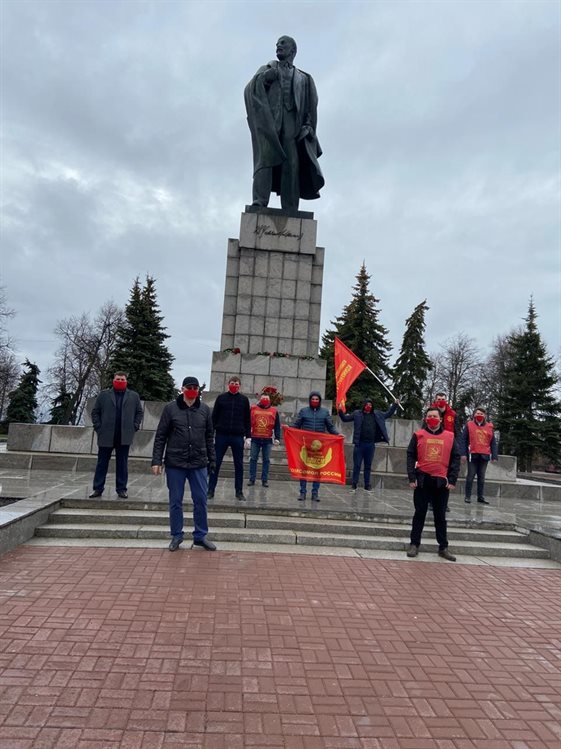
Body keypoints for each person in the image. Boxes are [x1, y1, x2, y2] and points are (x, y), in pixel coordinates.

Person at [244, 35, 324, 213]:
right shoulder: (266, 69)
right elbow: (249, 90)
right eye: (277, 44)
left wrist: (309, 126)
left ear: (293, 50)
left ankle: (290, 207)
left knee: (292, 165)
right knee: (265, 161)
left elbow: (312, 105)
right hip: (270, 124)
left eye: (282, 43)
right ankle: (259, 201)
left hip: (293, 127)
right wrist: (264, 79)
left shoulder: (305, 78)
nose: (278, 46)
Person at [151, 376, 217, 552]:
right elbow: (161, 436)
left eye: (195, 387)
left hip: (198, 462)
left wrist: (212, 459)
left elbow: (209, 437)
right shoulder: (170, 409)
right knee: (175, 501)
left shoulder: (204, 410)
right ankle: (176, 536)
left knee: (201, 500)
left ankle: (201, 536)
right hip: (175, 463)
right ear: (182, 389)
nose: (193, 390)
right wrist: (156, 460)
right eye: (189, 387)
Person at [406, 406, 461, 561]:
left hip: (441, 483)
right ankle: (414, 544)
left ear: (440, 419)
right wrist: (411, 477)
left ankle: (443, 547)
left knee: (440, 516)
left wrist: (452, 479)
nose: (432, 418)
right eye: (429, 416)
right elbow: (410, 456)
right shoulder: (418, 435)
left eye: (435, 416)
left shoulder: (450, 436)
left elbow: (456, 458)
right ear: (425, 419)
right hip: (423, 481)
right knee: (419, 514)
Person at [89, 372, 143, 499]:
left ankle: (121, 489)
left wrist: (135, 426)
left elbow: (139, 412)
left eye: (122, 379)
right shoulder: (104, 395)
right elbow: (95, 412)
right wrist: (98, 427)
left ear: (126, 381)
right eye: (118, 379)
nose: (120, 381)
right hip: (106, 435)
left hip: (124, 435)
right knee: (102, 463)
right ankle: (97, 488)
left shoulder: (133, 396)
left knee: (122, 464)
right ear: (113, 380)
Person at [338, 397, 399, 491]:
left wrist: (395, 404)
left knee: (368, 465)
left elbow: (388, 414)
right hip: (359, 444)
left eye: (370, 405)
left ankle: (367, 485)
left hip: (370, 445)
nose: (369, 406)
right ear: (364, 405)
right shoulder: (357, 414)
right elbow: (345, 419)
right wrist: (340, 410)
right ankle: (354, 484)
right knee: (357, 465)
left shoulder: (377, 414)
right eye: (367, 405)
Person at [207, 376, 251, 501]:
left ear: (240, 385)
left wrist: (248, 437)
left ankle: (239, 492)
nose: (234, 385)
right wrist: (211, 435)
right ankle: (210, 490)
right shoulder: (221, 398)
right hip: (222, 435)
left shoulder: (244, 400)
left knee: (239, 465)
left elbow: (247, 419)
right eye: (232, 383)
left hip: (237, 436)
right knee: (215, 463)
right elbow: (214, 417)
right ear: (228, 384)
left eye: (236, 383)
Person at [292, 391, 338, 501]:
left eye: (317, 399)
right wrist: (288, 428)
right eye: (313, 399)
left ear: (320, 401)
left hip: (319, 446)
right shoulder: (304, 411)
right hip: (306, 444)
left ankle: (315, 492)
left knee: (317, 470)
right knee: (304, 469)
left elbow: (330, 427)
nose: (315, 401)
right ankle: (302, 492)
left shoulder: (325, 412)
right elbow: (296, 425)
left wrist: (337, 434)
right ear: (310, 400)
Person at [460, 407, 498, 505]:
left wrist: (494, 455)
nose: (479, 415)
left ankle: (480, 497)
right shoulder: (469, 425)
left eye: (481, 414)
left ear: (485, 415)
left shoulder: (489, 426)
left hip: (484, 455)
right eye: (478, 413)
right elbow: (463, 440)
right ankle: (467, 496)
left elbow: (493, 442)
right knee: (470, 476)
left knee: (482, 477)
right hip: (472, 455)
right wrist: (463, 454)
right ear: (474, 415)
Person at [247, 392, 281, 488]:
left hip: (267, 439)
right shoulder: (253, 408)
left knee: (266, 460)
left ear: (269, 400)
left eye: (266, 398)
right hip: (255, 438)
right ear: (260, 399)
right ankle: (252, 479)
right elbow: (248, 422)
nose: (264, 400)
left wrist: (277, 437)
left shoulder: (274, 411)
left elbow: (277, 425)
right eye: (263, 398)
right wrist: (247, 436)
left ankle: (264, 480)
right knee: (253, 459)